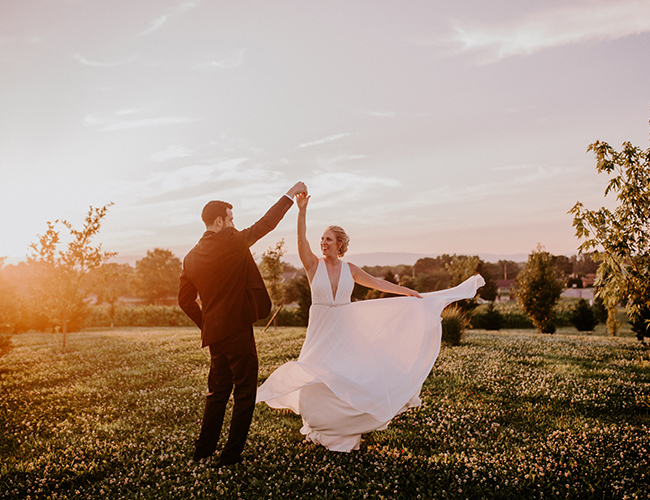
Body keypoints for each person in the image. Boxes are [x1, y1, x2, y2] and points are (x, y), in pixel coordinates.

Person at [256, 193, 485, 452]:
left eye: (328, 240)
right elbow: (300, 240)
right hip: (320, 329)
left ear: (340, 244)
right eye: (321, 239)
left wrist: (406, 291)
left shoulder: (349, 268)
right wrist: (301, 210)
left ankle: (346, 429)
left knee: (347, 373)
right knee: (316, 374)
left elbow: (377, 283)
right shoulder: (312, 265)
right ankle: (321, 425)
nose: (323, 243)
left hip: (343, 327)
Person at [178, 181, 307, 466]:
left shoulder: (190, 258)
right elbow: (266, 224)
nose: (234, 224)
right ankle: (230, 456)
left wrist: (208, 324)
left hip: (215, 335)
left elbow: (184, 301)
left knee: (218, 392)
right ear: (219, 221)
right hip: (237, 330)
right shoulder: (232, 242)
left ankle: (203, 450)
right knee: (245, 393)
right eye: (231, 219)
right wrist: (289, 194)